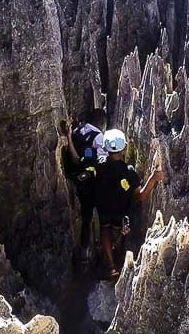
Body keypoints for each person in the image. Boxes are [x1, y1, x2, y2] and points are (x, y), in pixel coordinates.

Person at [94, 129, 165, 281]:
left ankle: (111, 264)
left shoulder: (100, 166)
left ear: (106, 148)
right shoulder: (129, 172)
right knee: (119, 233)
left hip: (103, 206)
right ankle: (119, 263)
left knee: (105, 228)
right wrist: (153, 178)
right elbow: (140, 196)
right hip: (121, 210)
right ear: (124, 147)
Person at [60, 109, 108, 251]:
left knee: (86, 218)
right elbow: (102, 159)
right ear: (102, 123)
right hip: (90, 183)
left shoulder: (79, 130)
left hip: (75, 177)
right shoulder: (98, 137)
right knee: (97, 215)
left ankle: (85, 249)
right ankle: (92, 247)